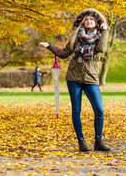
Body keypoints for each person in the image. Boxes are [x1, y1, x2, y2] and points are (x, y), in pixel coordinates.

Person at [39, 8, 110, 152]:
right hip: (73, 78)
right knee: (76, 110)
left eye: (92, 19)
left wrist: (105, 30)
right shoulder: (76, 37)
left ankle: (98, 141)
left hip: (91, 77)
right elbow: (64, 54)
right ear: (83, 23)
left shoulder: (100, 36)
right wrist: (49, 46)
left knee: (99, 110)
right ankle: (81, 142)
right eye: (87, 19)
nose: (89, 21)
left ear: (96, 23)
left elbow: (102, 48)